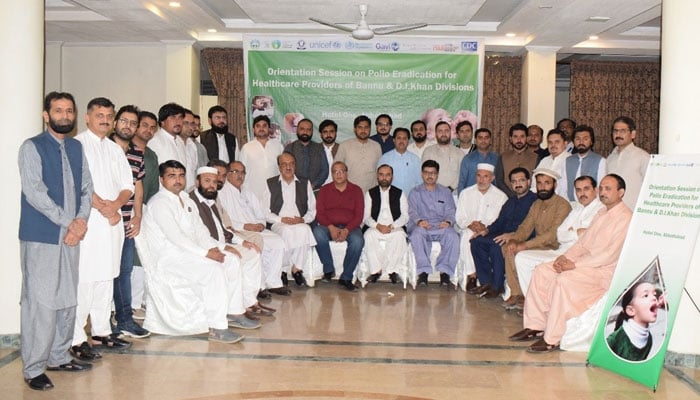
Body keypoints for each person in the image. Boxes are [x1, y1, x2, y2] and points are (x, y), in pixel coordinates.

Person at [19, 92, 94, 391]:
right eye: (58, 110)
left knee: (66, 298)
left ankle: (59, 356)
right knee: (40, 302)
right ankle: (34, 367)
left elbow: (87, 187)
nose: (65, 116)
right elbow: (34, 192)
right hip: (43, 236)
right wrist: (70, 222)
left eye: (69, 111)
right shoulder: (32, 147)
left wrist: (81, 221)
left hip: (72, 235)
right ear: (45, 115)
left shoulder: (76, 147)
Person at [509, 174, 632, 353]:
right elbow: (582, 243)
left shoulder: (625, 217)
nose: (603, 192)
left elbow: (608, 256)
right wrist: (564, 258)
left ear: (621, 193)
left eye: (608, 189)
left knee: (564, 279)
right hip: (584, 263)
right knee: (543, 270)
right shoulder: (601, 213)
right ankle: (536, 325)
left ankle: (552, 337)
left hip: (604, 271)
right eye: (602, 188)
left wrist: (573, 266)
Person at [141, 160, 250, 343]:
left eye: (181, 176)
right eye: (171, 176)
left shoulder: (185, 198)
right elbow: (176, 237)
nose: (177, 180)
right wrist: (206, 254)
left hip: (189, 253)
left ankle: (234, 311)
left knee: (230, 260)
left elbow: (200, 232)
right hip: (169, 258)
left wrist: (218, 247)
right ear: (161, 179)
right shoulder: (159, 203)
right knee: (213, 269)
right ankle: (217, 327)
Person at [72, 97, 134, 361]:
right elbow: (79, 184)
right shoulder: (77, 146)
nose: (105, 119)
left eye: (109, 115)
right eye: (99, 115)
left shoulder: (115, 149)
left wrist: (116, 205)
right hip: (90, 222)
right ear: (87, 118)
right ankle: (75, 338)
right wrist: (102, 207)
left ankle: (101, 331)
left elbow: (127, 185)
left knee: (107, 278)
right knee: (85, 280)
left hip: (112, 222)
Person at [188, 166, 269, 325]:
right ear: (197, 182)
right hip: (207, 248)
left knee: (252, 252)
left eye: (214, 181)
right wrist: (225, 247)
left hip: (221, 242)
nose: (212, 185)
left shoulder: (210, 199)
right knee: (233, 259)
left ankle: (249, 302)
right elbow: (200, 235)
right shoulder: (191, 201)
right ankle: (234, 312)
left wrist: (241, 241)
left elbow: (221, 228)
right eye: (207, 181)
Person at [515, 175, 604, 295]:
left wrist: (572, 232)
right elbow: (560, 234)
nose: (582, 193)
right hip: (561, 250)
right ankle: (530, 299)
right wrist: (577, 232)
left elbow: (588, 237)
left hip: (577, 256)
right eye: (578, 190)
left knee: (540, 266)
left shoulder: (601, 210)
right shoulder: (576, 208)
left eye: (586, 189)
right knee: (522, 257)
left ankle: (540, 301)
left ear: (596, 190)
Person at [500, 168, 572, 310]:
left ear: (555, 185)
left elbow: (553, 234)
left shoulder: (562, 205)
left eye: (547, 183)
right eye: (539, 183)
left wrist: (525, 245)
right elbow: (525, 227)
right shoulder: (537, 204)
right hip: (539, 244)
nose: (542, 187)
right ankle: (517, 293)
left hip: (554, 247)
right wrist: (514, 240)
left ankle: (529, 300)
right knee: (508, 247)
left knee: (520, 253)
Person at [218, 160, 291, 297]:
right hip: (239, 230)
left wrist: (261, 224)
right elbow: (224, 219)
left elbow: (260, 213)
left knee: (278, 242)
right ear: (228, 175)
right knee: (259, 244)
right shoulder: (222, 192)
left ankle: (274, 283)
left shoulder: (247, 191)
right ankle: (259, 286)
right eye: (235, 172)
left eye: (242, 172)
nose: (240, 175)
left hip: (256, 228)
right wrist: (245, 226)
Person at [108, 105, 150, 339]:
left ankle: (124, 319)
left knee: (124, 272)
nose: (128, 126)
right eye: (124, 121)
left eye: (133, 123)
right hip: (105, 222)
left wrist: (138, 216)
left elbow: (138, 186)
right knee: (106, 273)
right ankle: (104, 322)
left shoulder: (137, 153)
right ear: (116, 122)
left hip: (127, 224)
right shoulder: (105, 149)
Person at [469, 167, 537, 298]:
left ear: (528, 182)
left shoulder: (535, 201)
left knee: (497, 245)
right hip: (503, 234)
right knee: (476, 241)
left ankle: (497, 286)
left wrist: (512, 236)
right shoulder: (510, 201)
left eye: (521, 180)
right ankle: (486, 282)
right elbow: (500, 222)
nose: (518, 184)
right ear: (511, 184)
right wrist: (486, 231)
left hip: (522, 237)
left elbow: (532, 227)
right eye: (514, 181)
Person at [262, 152, 317, 287]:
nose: (288, 167)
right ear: (279, 167)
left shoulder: (305, 183)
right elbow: (264, 211)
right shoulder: (270, 183)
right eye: (284, 164)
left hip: (298, 221)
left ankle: (296, 269)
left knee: (304, 230)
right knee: (286, 232)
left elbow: (312, 210)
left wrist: (302, 219)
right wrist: (281, 219)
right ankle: (282, 270)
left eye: (291, 163)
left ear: (295, 165)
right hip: (279, 222)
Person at [313, 161, 365, 291]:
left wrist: (347, 230)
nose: (339, 174)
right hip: (328, 226)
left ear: (347, 173)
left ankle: (346, 277)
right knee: (317, 233)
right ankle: (329, 269)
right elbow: (320, 213)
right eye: (335, 172)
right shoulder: (324, 190)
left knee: (358, 241)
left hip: (351, 227)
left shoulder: (356, 190)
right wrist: (331, 227)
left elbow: (359, 215)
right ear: (332, 174)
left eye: (341, 171)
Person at [455, 163, 507, 291]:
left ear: (492, 178)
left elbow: (500, 220)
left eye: (485, 176)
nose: (481, 179)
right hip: (468, 228)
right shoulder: (466, 193)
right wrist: (470, 224)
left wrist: (485, 227)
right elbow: (460, 217)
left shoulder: (501, 196)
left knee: (477, 238)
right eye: (479, 176)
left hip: (490, 231)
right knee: (467, 236)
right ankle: (472, 275)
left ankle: (485, 279)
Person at [408, 160, 459, 287]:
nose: (429, 175)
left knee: (453, 236)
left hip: (441, 226)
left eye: (433, 173)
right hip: (422, 226)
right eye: (426, 172)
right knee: (416, 235)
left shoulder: (445, 192)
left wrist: (448, 221)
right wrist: (419, 221)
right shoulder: (415, 192)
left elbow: (451, 210)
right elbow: (412, 211)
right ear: (421, 174)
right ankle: (424, 271)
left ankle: (445, 272)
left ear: (437, 174)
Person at [359, 164, 409, 285]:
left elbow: (405, 216)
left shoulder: (400, 193)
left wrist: (392, 226)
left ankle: (392, 271)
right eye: (381, 175)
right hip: (376, 227)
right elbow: (366, 217)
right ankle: (376, 271)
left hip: (394, 227)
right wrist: (377, 226)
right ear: (377, 176)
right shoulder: (370, 193)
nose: (384, 178)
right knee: (368, 236)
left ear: (392, 177)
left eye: (387, 175)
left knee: (400, 236)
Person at [607, 281, 663, 361]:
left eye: (654, 295)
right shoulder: (614, 339)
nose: (654, 298)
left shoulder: (649, 339)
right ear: (631, 310)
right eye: (646, 295)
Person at [606, 116, 650, 209]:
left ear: (633, 134)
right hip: (613, 212)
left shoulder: (643, 157)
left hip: (633, 212)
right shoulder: (610, 158)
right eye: (615, 131)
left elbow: (650, 187)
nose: (618, 134)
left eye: (623, 131)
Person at [239, 115, 285, 203]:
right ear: (253, 129)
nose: (261, 128)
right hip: (252, 194)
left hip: (273, 193)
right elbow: (241, 172)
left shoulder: (278, 146)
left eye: (264, 126)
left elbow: (281, 170)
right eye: (258, 126)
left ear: (269, 129)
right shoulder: (246, 148)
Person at [335, 115, 383, 192]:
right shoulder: (344, 145)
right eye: (360, 127)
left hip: (371, 191)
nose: (363, 130)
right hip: (349, 191)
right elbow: (337, 168)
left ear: (370, 129)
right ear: (355, 129)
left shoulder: (376, 146)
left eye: (366, 127)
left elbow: (380, 170)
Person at [147, 103, 188, 185]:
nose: (177, 121)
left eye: (180, 118)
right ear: (162, 122)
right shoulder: (154, 141)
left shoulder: (180, 141)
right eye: (172, 118)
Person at [563, 125, 606, 201]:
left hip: (592, 206)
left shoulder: (600, 161)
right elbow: (563, 187)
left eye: (585, 139)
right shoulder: (567, 161)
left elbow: (601, 188)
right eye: (577, 139)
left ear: (591, 141)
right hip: (571, 205)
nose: (581, 142)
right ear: (573, 141)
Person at [284, 118, 329, 190]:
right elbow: (285, 169)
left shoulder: (319, 148)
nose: (305, 132)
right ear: (297, 130)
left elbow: (325, 170)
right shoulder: (289, 148)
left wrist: (314, 185)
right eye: (302, 129)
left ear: (312, 132)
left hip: (314, 190)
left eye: (308, 130)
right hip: (293, 190)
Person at [495, 123, 538, 197]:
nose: (519, 140)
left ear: (527, 138)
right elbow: (499, 180)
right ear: (510, 139)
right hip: (506, 198)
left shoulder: (535, 157)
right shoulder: (503, 156)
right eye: (515, 137)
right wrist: (512, 196)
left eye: (522, 136)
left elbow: (537, 180)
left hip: (530, 199)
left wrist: (526, 196)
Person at [422, 121, 465, 192]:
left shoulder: (459, 153)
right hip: (433, 192)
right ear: (436, 134)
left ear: (450, 133)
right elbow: (425, 172)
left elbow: (462, 174)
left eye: (446, 131)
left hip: (454, 194)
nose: (443, 133)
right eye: (440, 131)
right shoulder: (428, 151)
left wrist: (451, 188)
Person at [377, 127, 422, 194]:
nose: (401, 141)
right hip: (390, 198)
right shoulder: (385, 158)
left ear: (408, 141)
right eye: (399, 138)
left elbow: (420, 181)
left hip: (410, 198)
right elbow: (380, 180)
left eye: (404, 138)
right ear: (394, 140)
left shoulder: (415, 159)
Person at [457, 127, 500, 193]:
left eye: (486, 138)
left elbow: (498, 182)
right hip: (471, 197)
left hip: (491, 198)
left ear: (490, 140)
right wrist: (462, 200)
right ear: (475, 140)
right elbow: (462, 183)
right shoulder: (468, 159)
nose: (483, 140)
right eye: (480, 138)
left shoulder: (496, 158)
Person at [533, 129, 570, 198]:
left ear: (565, 144)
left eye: (557, 142)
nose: (553, 145)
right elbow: (534, 183)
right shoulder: (544, 160)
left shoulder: (571, 161)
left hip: (563, 202)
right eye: (550, 142)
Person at [180, 109, 201, 190]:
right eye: (186, 123)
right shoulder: (173, 144)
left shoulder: (193, 146)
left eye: (192, 123)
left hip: (190, 195)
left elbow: (194, 172)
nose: (190, 127)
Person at [319, 119, 339, 185]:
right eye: (325, 132)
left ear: (336, 133)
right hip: (318, 189)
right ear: (320, 134)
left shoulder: (342, 149)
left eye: (331, 131)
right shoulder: (315, 150)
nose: (328, 134)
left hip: (338, 188)